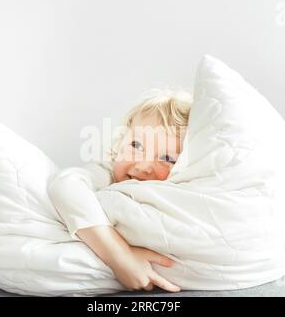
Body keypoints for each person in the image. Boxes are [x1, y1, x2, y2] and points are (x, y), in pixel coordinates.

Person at [48, 88, 192, 293]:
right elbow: (65, 184)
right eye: (136, 145)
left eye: (167, 158)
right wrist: (121, 257)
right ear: (120, 142)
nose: (143, 165)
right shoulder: (106, 173)